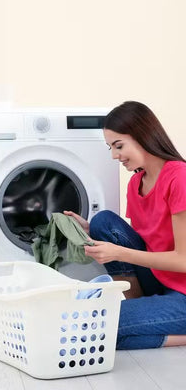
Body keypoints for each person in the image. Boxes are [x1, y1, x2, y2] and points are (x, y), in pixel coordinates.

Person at [65, 101, 186, 350]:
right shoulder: (136, 184)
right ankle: (141, 309)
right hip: (160, 281)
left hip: (183, 293)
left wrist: (118, 252)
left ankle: (159, 325)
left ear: (143, 136)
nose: (114, 155)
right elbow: (144, 241)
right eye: (110, 147)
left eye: (119, 146)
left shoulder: (180, 178)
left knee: (97, 326)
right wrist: (89, 230)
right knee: (103, 222)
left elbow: (183, 260)